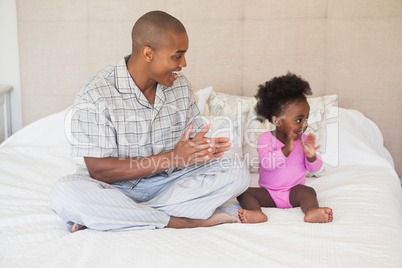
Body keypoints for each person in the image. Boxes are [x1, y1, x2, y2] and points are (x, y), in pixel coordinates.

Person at [49, 10, 250, 232]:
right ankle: (178, 220)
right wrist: (172, 158)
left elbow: (188, 148)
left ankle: (118, 216)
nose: (184, 63)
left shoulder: (180, 86)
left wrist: (200, 151)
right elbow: (99, 171)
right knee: (64, 193)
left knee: (237, 172)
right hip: (113, 188)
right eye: (177, 55)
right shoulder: (95, 93)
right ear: (148, 53)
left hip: (168, 185)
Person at [237, 73, 333, 224]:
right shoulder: (266, 139)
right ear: (277, 121)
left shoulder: (304, 141)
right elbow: (268, 164)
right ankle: (256, 212)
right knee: (242, 192)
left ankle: (311, 211)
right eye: (299, 120)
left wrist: (311, 156)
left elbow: (315, 169)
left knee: (309, 192)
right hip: (269, 193)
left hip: (294, 192)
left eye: (306, 118)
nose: (304, 124)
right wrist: (287, 149)